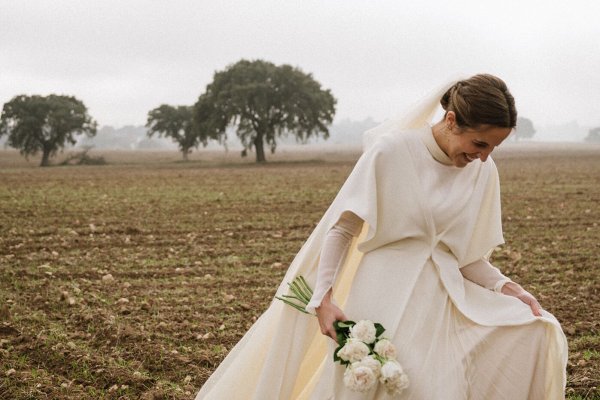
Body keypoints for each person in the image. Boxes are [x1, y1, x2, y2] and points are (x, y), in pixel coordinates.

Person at [195, 74, 568, 400]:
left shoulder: (483, 172)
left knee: (529, 332)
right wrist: (322, 299)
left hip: (442, 303)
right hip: (381, 297)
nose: (484, 157)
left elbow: (466, 257)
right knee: (379, 385)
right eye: (480, 144)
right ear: (452, 121)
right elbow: (343, 228)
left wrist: (508, 288)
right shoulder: (392, 151)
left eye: (493, 148)